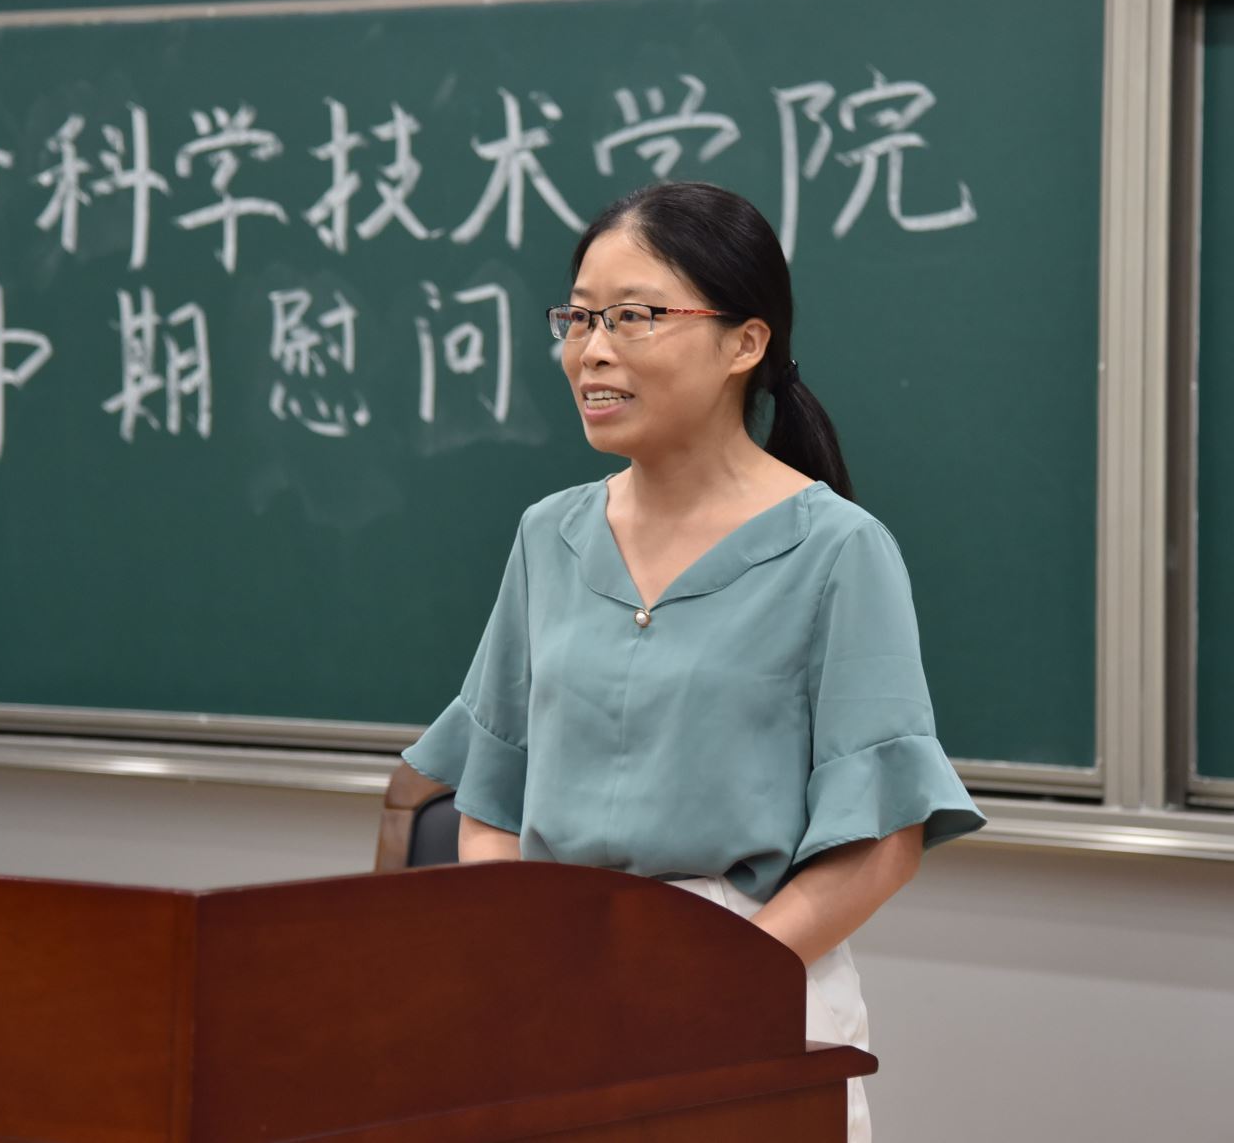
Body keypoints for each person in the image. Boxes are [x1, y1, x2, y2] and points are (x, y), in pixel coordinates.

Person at [400, 180, 987, 1141]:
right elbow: (492, 800)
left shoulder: (839, 550)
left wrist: (706, 984)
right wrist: (527, 953)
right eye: (579, 318)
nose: (592, 350)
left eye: (633, 317)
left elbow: (882, 843)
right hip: (553, 998)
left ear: (744, 343)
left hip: (746, 993)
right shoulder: (548, 536)